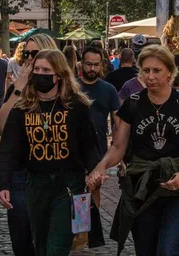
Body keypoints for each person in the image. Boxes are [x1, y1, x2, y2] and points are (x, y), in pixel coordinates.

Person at [87, 44, 179, 256]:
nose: (151, 76)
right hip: (142, 187)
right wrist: (100, 167)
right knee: (145, 250)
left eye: (157, 70)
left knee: (169, 249)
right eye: (146, 70)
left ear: (169, 73)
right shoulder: (133, 104)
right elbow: (119, 146)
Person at [0, 49, 99, 255]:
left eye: (46, 70)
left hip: (68, 185)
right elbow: (8, 148)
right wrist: (2, 184)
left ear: (59, 74)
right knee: (40, 245)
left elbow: (89, 144)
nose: (40, 74)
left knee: (56, 246)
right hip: (36, 184)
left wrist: (94, 172)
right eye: (37, 69)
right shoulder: (23, 107)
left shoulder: (75, 106)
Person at [0, 33, 58, 256]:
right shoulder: (20, 88)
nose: (30, 60)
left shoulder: (64, 89)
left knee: (51, 242)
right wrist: (19, 89)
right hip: (22, 174)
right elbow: (2, 126)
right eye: (27, 54)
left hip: (56, 174)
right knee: (22, 240)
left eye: (35, 54)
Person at [78, 45, 120, 248]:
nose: (92, 68)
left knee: (93, 189)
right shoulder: (72, 87)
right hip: (74, 148)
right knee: (75, 191)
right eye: (88, 64)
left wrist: (118, 149)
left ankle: (86, 235)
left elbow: (117, 122)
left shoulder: (108, 89)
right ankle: (77, 237)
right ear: (81, 64)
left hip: (99, 150)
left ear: (102, 65)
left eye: (96, 64)